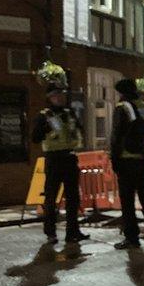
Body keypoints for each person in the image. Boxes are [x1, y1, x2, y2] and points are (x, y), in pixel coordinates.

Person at [31, 84, 90, 245]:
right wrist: (46, 127)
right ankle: (50, 232)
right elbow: (35, 138)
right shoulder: (44, 115)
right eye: (56, 95)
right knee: (51, 197)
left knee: (73, 198)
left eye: (61, 95)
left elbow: (79, 129)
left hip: (70, 158)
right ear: (49, 98)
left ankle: (73, 231)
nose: (60, 98)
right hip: (54, 159)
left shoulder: (69, 113)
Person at [109, 78, 144, 249]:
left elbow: (116, 135)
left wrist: (114, 158)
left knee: (128, 201)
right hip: (143, 158)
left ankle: (132, 237)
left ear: (121, 92)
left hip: (126, 159)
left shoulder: (122, 107)